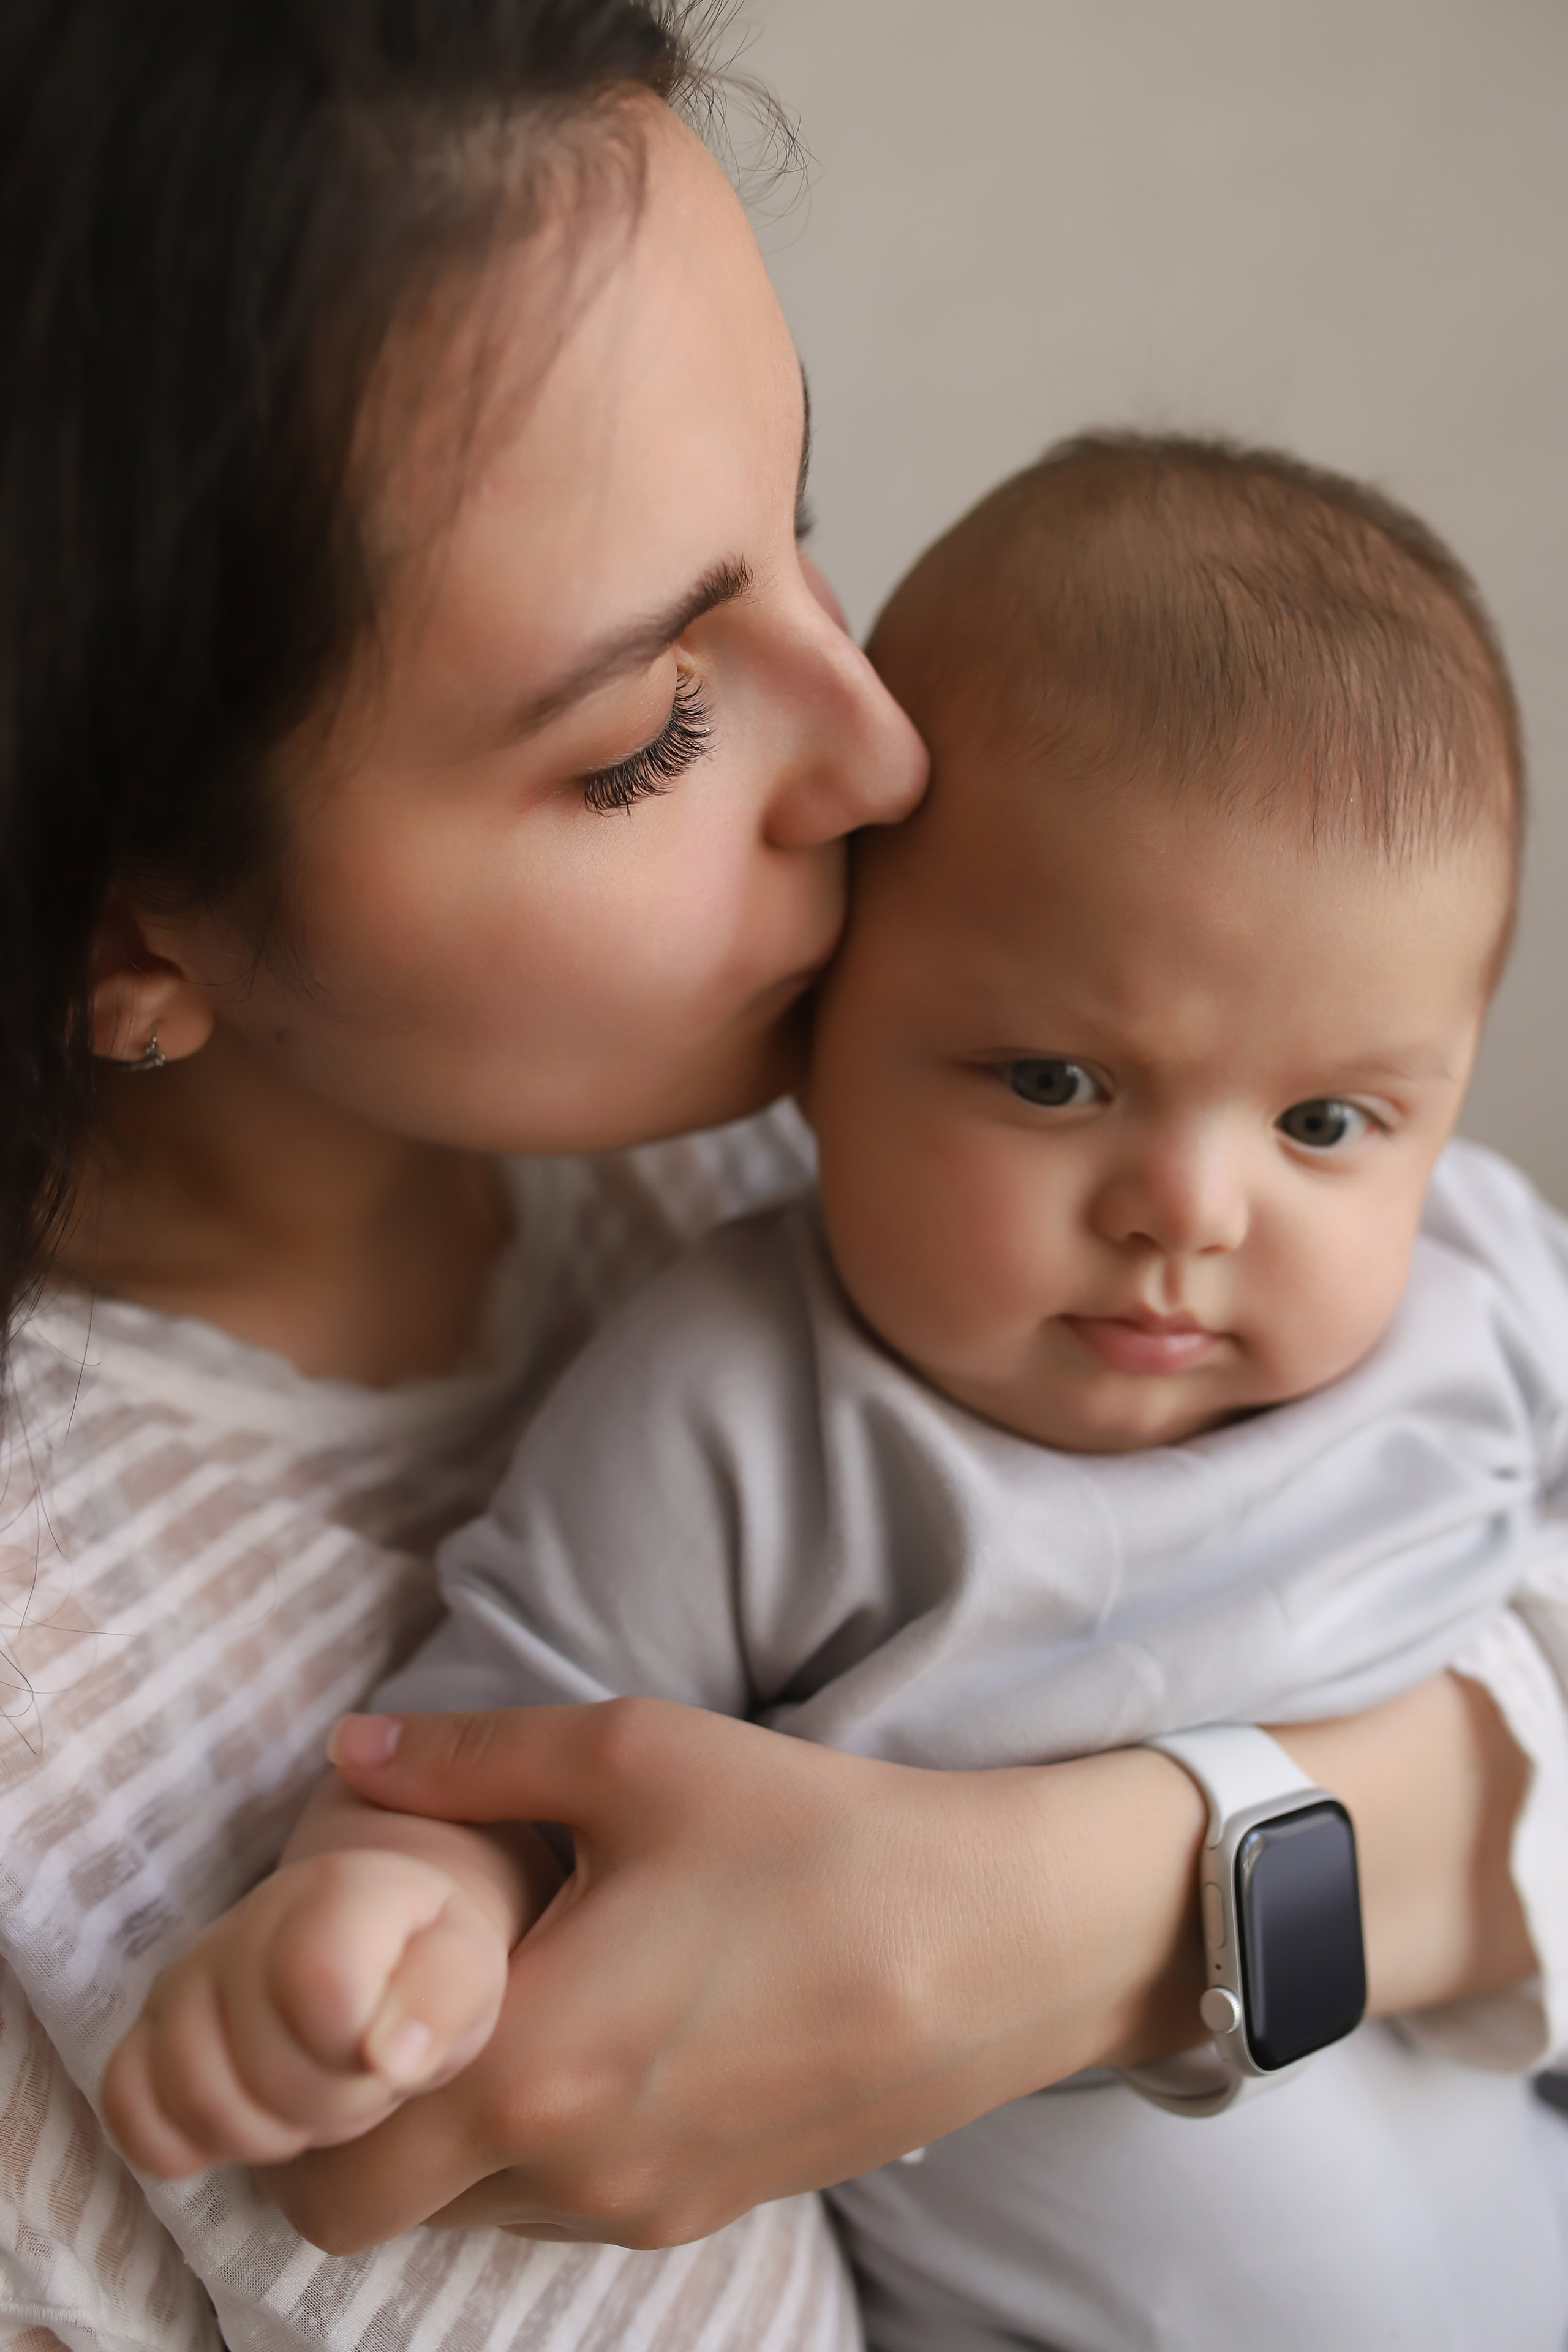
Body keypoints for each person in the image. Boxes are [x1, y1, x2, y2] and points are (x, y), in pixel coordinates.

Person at [0, 3, 1551, 2348]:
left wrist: (1093, 1915)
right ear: (121, 923)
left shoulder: (893, 1067)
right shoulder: (113, 1701)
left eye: (798, 525)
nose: (893, 753)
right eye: (649, 735)